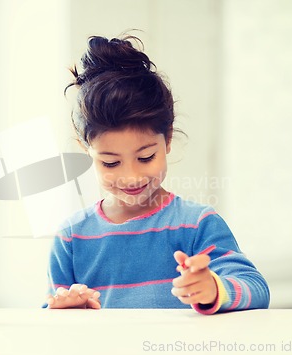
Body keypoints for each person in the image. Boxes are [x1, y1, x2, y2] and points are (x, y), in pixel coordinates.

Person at [45, 34, 270, 314]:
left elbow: (255, 287)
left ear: (168, 138)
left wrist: (213, 288)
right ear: (86, 150)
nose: (131, 176)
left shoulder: (196, 224)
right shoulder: (72, 237)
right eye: (111, 163)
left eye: (146, 157)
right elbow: (50, 312)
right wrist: (68, 311)